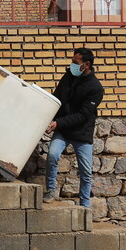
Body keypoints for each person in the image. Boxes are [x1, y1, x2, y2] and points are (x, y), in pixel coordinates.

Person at [44, 48, 104, 208]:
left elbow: (83, 115)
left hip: (81, 133)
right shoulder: (69, 77)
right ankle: (50, 190)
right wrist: (49, 118)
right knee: (52, 155)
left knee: (85, 172)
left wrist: (58, 123)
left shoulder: (96, 88)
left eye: (75, 63)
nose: (72, 65)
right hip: (63, 130)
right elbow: (57, 98)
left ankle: (84, 204)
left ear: (87, 64)